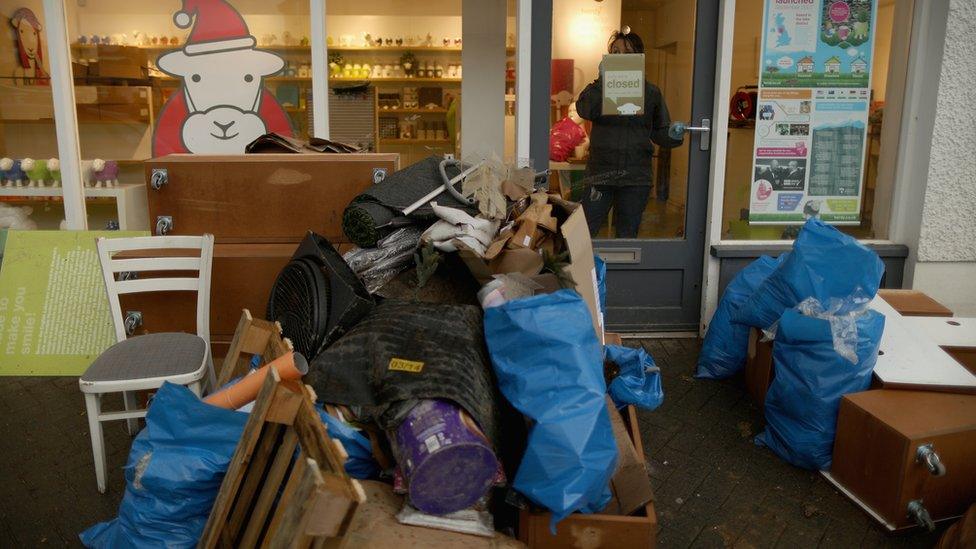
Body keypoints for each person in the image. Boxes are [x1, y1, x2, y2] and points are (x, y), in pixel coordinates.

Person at [574, 28, 683, 238]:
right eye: (614, 53)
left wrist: (673, 134)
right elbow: (584, 110)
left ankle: (620, 273)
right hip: (600, 174)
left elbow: (659, 132)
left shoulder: (650, 93)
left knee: (627, 236)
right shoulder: (599, 89)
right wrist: (602, 82)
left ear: (638, 58)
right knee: (585, 234)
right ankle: (587, 272)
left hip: (635, 177)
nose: (619, 58)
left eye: (626, 53)